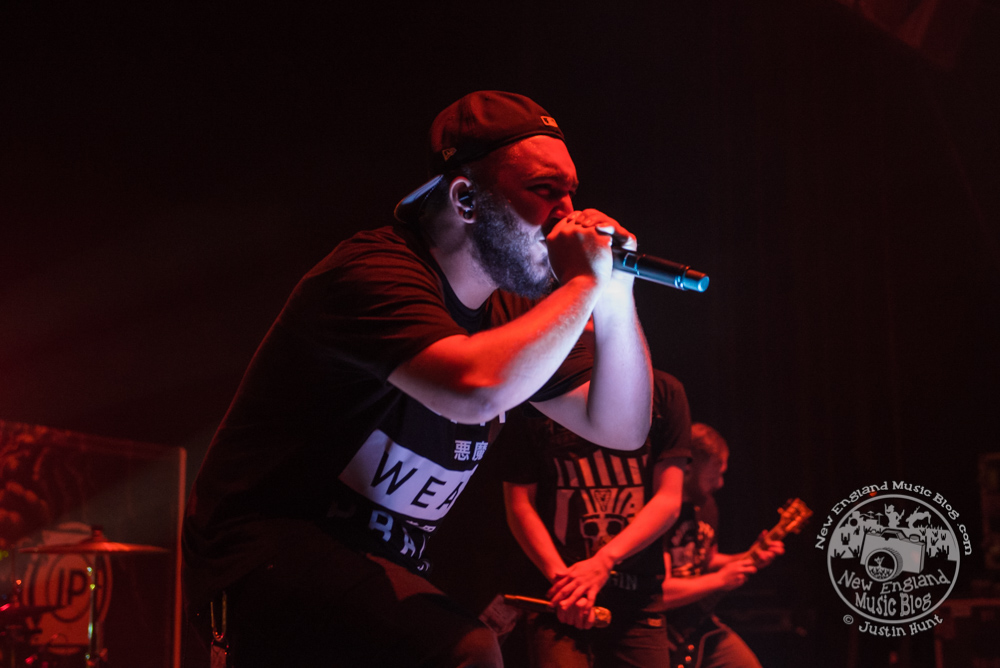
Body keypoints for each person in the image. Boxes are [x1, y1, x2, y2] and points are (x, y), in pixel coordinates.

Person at [182, 90, 654, 667]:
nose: (570, 214)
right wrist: (582, 284)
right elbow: (474, 390)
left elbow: (624, 427)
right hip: (265, 554)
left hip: (373, 570)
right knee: (467, 651)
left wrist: (615, 293)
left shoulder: (511, 313)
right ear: (466, 198)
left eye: (571, 192)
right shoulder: (374, 271)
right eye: (544, 190)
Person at [499, 368, 691, 667]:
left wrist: (604, 561)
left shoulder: (664, 391)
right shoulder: (532, 392)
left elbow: (668, 499)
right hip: (556, 596)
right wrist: (567, 585)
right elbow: (519, 503)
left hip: (637, 598)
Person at [659, 423, 784, 668]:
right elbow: (661, 592)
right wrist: (720, 580)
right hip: (663, 628)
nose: (719, 483)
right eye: (713, 476)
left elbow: (707, 560)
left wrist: (750, 556)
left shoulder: (707, 506)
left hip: (696, 621)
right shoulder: (662, 513)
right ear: (688, 467)